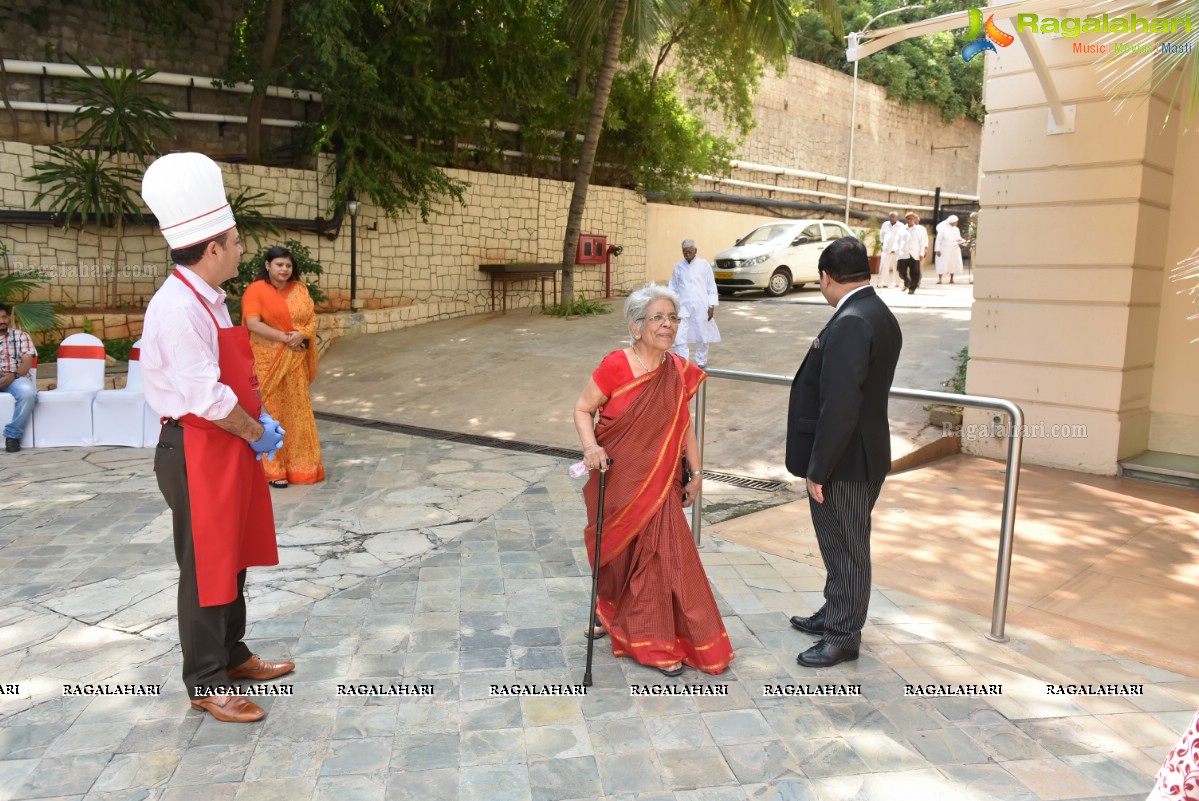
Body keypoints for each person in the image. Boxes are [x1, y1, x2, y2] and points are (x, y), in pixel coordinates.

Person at [140, 152, 293, 723]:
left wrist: (252, 429)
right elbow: (205, 397)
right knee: (206, 563)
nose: (240, 249)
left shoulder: (208, 297)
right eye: (234, 241)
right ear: (211, 249)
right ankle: (205, 679)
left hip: (221, 444)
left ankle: (231, 654)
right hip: (196, 447)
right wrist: (258, 432)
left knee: (231, 559)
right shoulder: (178, 308)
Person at [573, 283, 733, 677]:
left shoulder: (677, 372)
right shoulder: (615, 365)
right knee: (616, 555)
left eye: (673, 318)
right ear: (636, 326)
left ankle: (654, 640)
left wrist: (695, 473)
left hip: (660, 484)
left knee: (660, 559)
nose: (667, 325)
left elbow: (685, 429)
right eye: (657, 318)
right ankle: (608, 610)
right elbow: (582, 409)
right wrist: (591, 447)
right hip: (616, 476)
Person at [785, 237, 902, 668]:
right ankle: (834, 612)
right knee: (839, 545)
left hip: (846, 461)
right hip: (859, 453)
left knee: (848, 549)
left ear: (826, 277)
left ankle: (843, 636)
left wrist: (819, 468)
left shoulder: (852, 319)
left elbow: (841, 403)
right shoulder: (876, 311)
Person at [241, 246, 325, 488]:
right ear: (267, 265)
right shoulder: (256, 290)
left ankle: (303, 468)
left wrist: (301, 333)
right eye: (279, 264)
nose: (284, 269)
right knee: (271, 413)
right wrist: (285, 337)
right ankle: (273, 469)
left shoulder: (299, 290)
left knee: (297, 414)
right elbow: (253, 324)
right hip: (266, 360)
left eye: (288, 265)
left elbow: (311, 321)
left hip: (294, 360)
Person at [668, 239, 720, 367]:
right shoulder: (678, 266)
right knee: (680, 336)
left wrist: (711, 305)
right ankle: (682, 363)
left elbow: (711, 287)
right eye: (684, 252)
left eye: (689, 252)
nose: (687, 255)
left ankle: (701, 362)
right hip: (682, 308)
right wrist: (670, 304)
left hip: (701, 307)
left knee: (702, 336)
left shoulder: (704, 265)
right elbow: (672, 286)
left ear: (695, 251)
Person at [0, 304, 36, 452]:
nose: (1, 320)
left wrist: (14, 375)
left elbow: (27, 360)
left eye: (3, 317)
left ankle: (12, 436)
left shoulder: (21, 336)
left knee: (28, 393)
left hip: (15, 376)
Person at [897, 212, 928, 295]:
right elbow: (897, 241)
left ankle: (912, 288)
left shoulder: (919, 230)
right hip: (903, 254)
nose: (909, 220)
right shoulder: (902, 229)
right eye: (908, 218)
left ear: (914, 220)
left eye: (911, 218)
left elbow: (922, 242)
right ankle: (907, 281)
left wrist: (922, 253)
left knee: (915, 273)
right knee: (901, 272)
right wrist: (895, 250)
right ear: (906, 220)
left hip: (915, 254)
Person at [935, 215, 965, 284]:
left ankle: (951, 279)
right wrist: (937, 249)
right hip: (944, 249)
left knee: (953, 263)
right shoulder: (943, 229)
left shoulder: (956, 229)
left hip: (954, 249)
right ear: (952, 221)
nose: (956, 223)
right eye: (956, 221)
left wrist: (965, 243)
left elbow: (959, 239)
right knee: (942, 263)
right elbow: (938, 240)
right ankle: (940, 279)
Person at [878, 212, 903, 289]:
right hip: (886, 248)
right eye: (891, 217)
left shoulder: (901, 225)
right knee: (884, 265)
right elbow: (881, 235)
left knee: (896, 266)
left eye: (893, 217)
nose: (892, 218)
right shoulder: (885, 224)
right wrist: (882, 243)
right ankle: (884, 283)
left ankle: (897, 283)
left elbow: (902, 237)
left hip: (897, 249)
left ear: (897, 218)